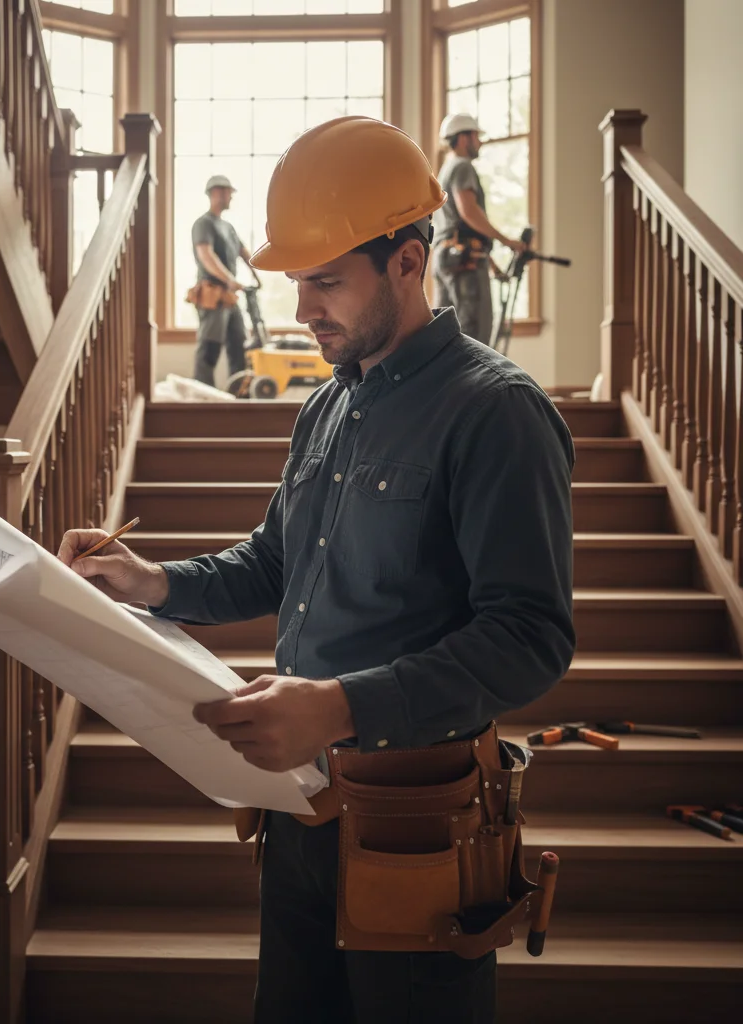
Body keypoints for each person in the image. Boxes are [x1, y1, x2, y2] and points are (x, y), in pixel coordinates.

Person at [60, 116, 575, 1023]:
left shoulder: (497, 413)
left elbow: (530, 639)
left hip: (420, 819)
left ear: (410, 263)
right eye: (299, 282)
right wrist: (150, 582)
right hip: (299, 807)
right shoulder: (327, 407)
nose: (304, 309)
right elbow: (274, 563)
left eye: (327, 282)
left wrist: (341, 704)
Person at [433, 113, 526, 344]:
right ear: (464, 138)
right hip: (465, 260)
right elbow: (468, 212)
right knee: (473, 334)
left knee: (444, 334)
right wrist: (508, 241)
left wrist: (493, 265)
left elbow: (459, 225)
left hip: (446, 257)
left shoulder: (446, 168)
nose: (480, 142)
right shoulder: (463, 167)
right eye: (477, 136)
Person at [188, 174, 262, 387]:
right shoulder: (203, 224)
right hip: (213, 294)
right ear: (215, 193)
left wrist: (257, 275)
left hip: (229, 296)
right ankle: (202, 394)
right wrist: (229, 279)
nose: (230, 197)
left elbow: (244, 252)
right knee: (209, 348)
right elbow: (206, 255)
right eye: (227, 193)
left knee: (239, 343)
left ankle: (239, 393)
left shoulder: (227, 227)